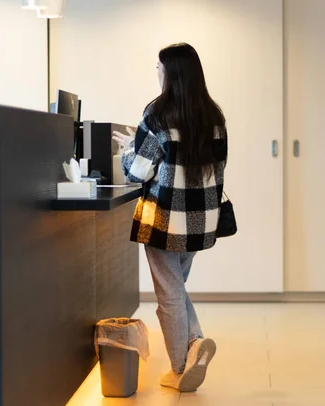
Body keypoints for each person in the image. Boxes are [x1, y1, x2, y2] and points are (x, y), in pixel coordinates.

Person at [112, 43, 227, 392]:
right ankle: (195, 345)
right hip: (203, 218)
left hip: (164, 217)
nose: (157, 74)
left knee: (169, 294)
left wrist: (127, 150)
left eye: (159, 69)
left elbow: (138, 171)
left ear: (171, 73)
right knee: (175, 287)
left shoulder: (158, 113)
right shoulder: (213, 116)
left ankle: (180, 368)